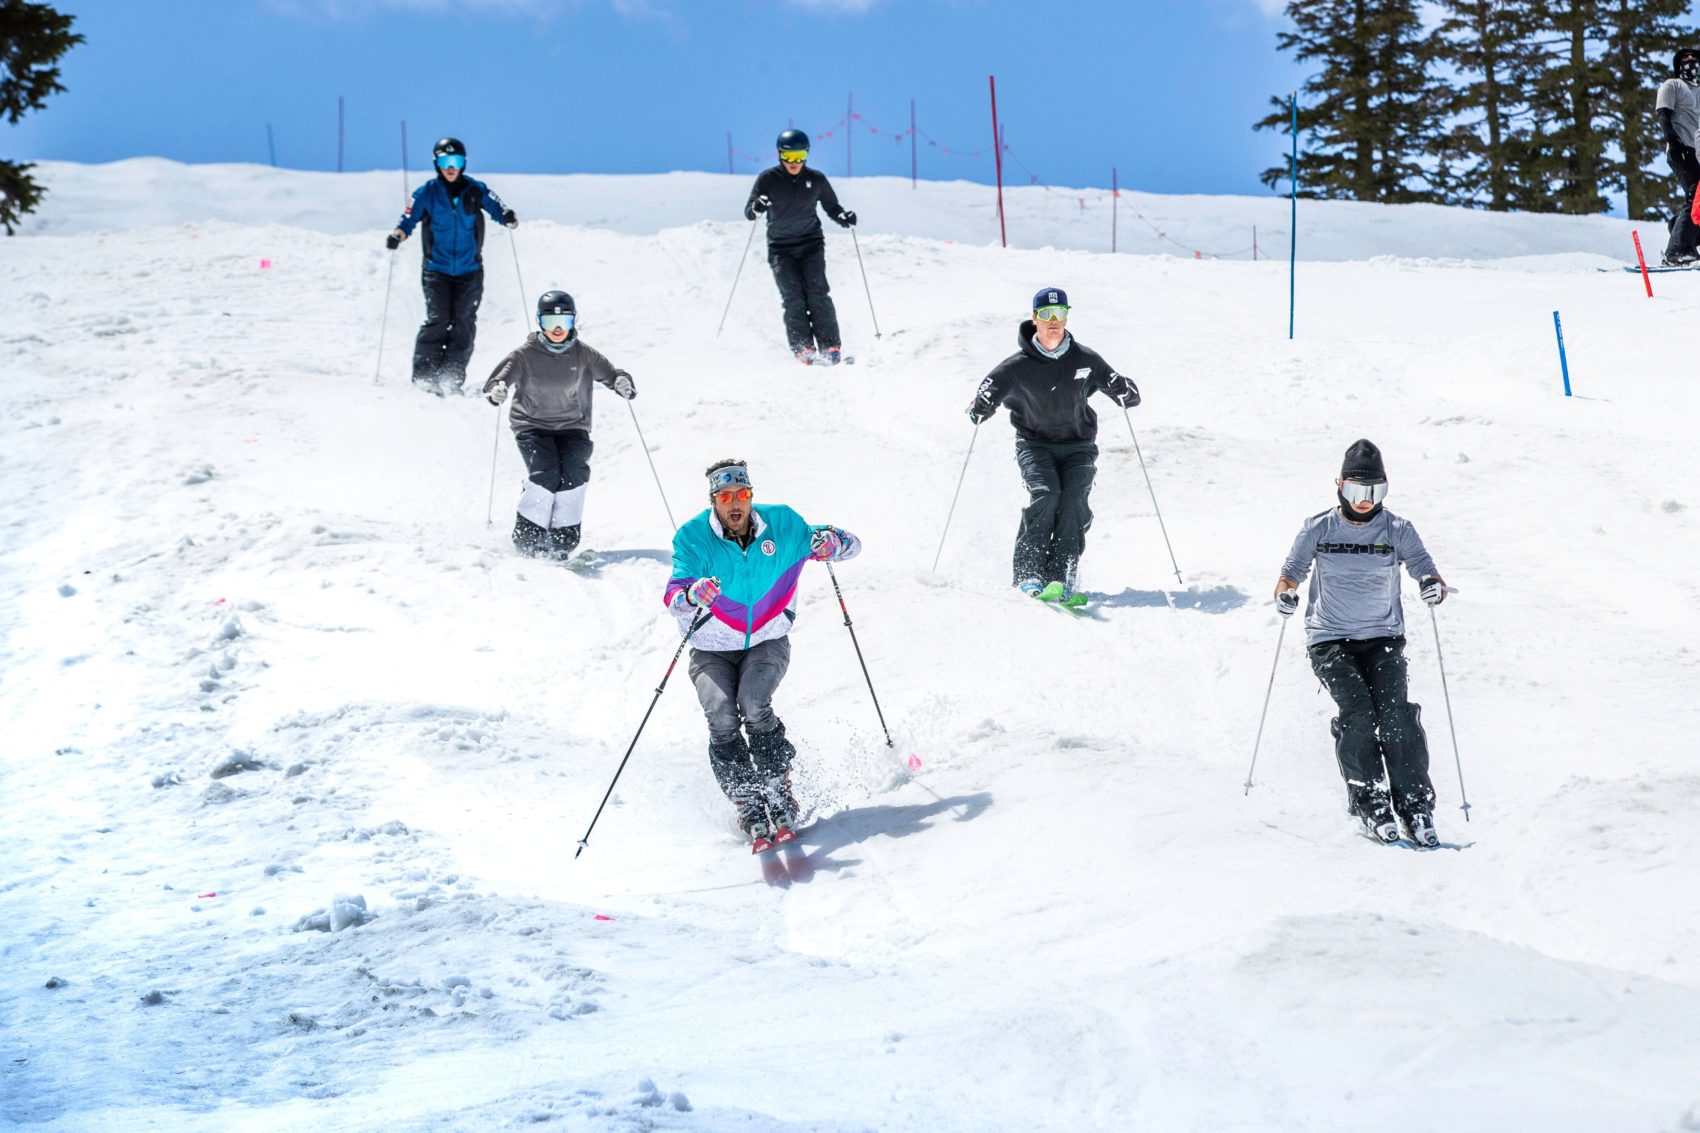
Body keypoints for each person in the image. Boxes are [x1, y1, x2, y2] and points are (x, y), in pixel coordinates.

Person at [664, 459, 861, 849]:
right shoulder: (692, 537)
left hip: (767, 638)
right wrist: (691, 595)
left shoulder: (783, 524)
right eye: (725, 497)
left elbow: (848, 545)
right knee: (721, 714)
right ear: (714, 502)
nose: (735, 504)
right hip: (712, 648)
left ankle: (778, 790)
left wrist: (832, 544)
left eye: (742, 495)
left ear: (751, 496)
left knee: (754, 703)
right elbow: (674, 594)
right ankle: (747, 801)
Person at [1273, 439, 1448, 848]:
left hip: (1383, 637)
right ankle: (1371, 803)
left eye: (1374, 492)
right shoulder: (1318, 527)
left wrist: (1433, 588)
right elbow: (1290, 572)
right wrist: (1285, 594)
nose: (1365, 501)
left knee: (1396, 716)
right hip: (1330, 639)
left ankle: (1415, 807)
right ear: (1339, 486)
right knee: (1359, 712)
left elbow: (1427, 570)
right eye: (1356, 491)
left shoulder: (1397, 529)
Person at [966, 287, 1140, 607]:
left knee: (1073, 500)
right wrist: (980, 406)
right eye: (1046, 315)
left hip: (1079, 446)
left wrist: (1125, 390)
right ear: (1035, 320)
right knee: (1047, 494)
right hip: (1035, 445)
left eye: (1060, 313)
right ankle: (1029, 574)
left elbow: (1126, 391)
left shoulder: (1085, 358)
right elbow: (984, 396)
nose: (1053, 321)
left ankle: (1061, 576)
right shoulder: (1016, 366)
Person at [482, 291, 635, 559]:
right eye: (550, 321)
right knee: (547, 471)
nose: (556, 329)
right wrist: (497, 390)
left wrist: (622, 382)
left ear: (573, 322)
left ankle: (562, 541)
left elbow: (612, 374)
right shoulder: (525, 355)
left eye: (563, 322)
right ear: (539, 322)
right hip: (532, 425)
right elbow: (497, 381)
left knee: (574, 472)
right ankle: (529, 539)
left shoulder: (583, 354)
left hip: (573, 426)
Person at [387, 137, 518, 395]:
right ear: (437, 163)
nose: (451, 167)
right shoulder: (427, 193)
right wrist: (397, 235)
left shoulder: (476, 189)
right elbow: (408, 219)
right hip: (437, 270)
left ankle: (450, 377)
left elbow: (496, 206)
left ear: (463, 164)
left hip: (470, 271)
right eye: (445, 161)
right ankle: (425, 377)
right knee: (438, 319)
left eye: (456, 161)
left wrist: (507, 217)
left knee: (464, 322)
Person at [743, 129, 857, 365]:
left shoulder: (816, 179)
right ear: (780, 155)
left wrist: (843, 216)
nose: (794, 162)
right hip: (781, 249)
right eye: (789, 157)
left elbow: (832, 207)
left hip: (810, 245)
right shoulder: (768, 179)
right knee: (793, 297)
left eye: (800, 156)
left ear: (806, 155)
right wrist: (758, 206)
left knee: (817, 293)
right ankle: (803, 347)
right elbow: (749, 212)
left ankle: (829, 345)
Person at [1659, 48, 1700, 266]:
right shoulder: (1672, 85)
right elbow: (1663, 115)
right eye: (1686, 59)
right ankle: (1677, 252)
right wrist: (1673, 142)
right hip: (1681, 148)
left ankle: (1678, 230)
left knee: (1699, 201)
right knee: (1695, 194)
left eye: (1695, 59)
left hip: (1698, 151)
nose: (1691, 62)